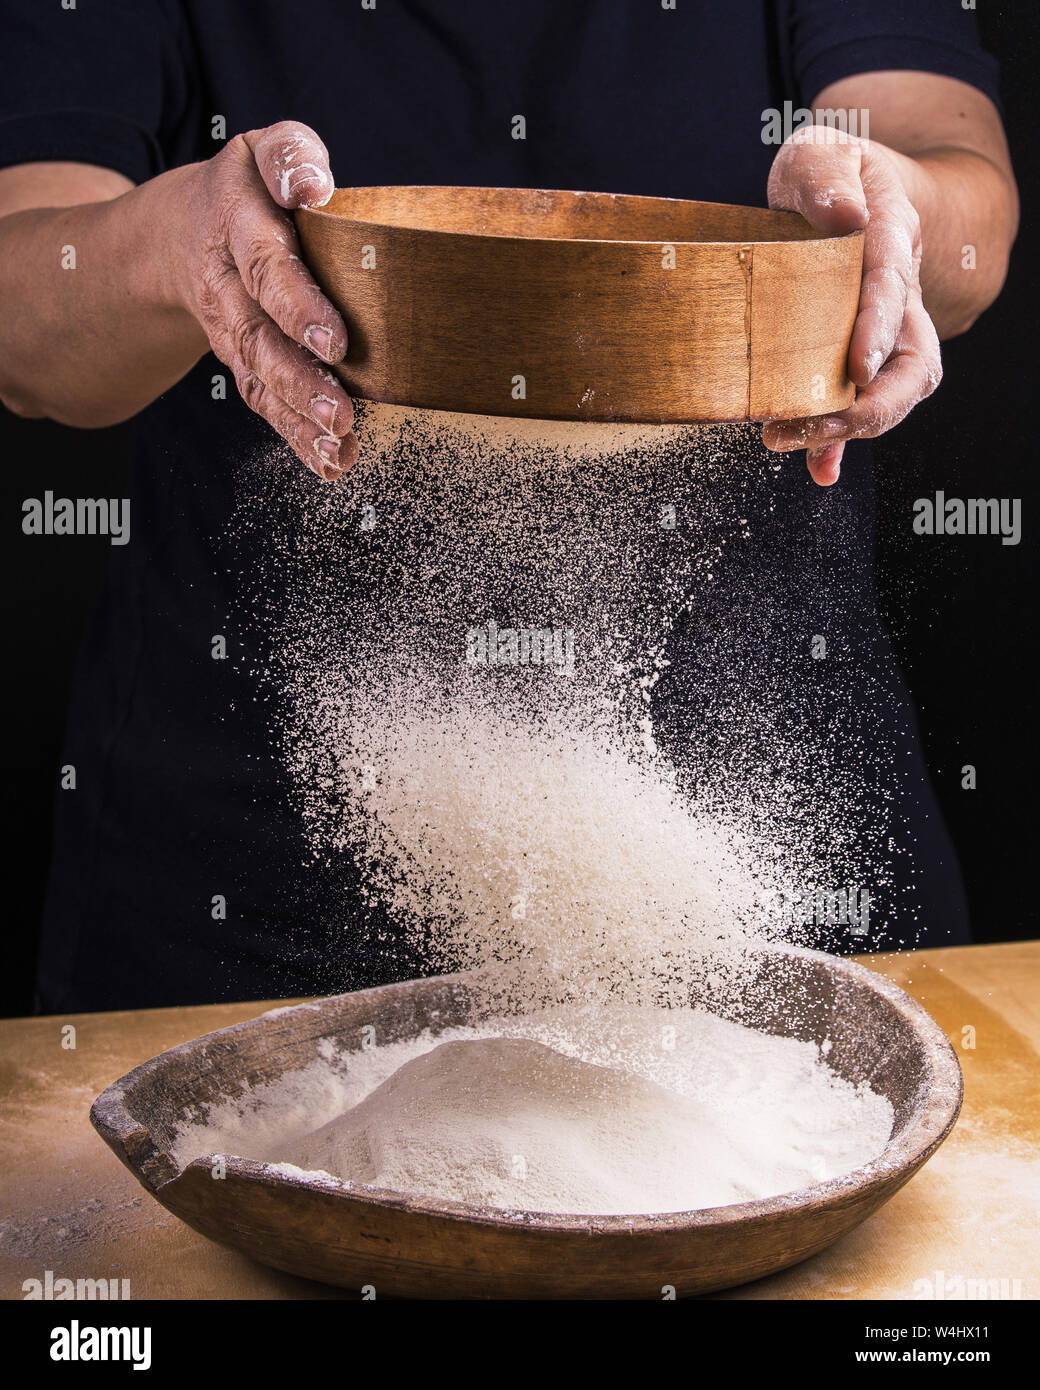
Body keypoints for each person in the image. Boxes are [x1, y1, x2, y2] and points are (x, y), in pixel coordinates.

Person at [0, 2, 1018, 1011]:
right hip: (245, 885)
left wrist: (895, 206)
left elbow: (950, 180)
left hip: (756, 858)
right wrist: (178, 245)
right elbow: (24, 322)